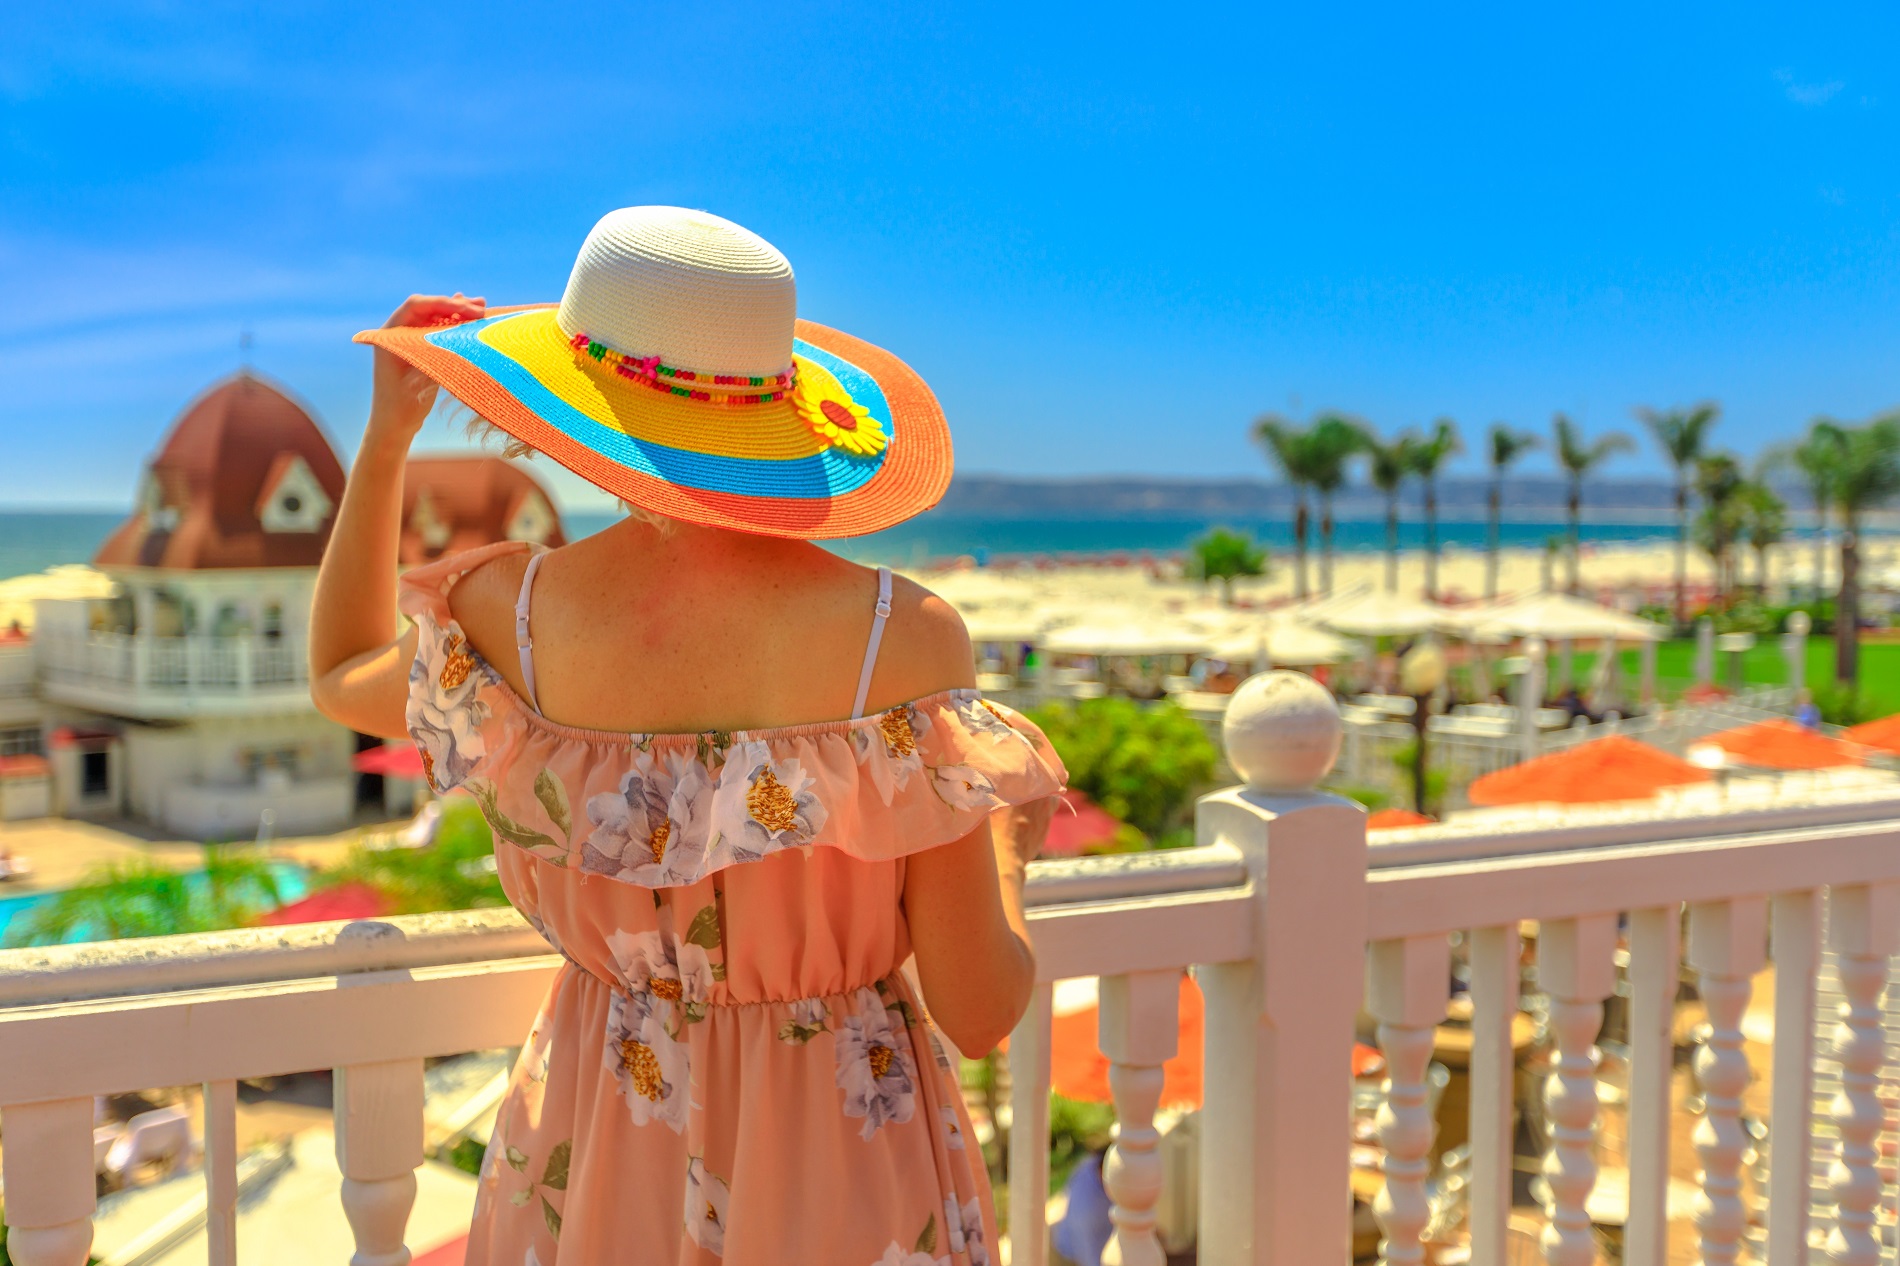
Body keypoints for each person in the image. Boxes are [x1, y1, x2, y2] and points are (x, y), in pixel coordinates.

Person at [309, 207, 1065, 1265]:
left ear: (575, 406)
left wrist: (387, 439)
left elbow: (340, 676)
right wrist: (1004, 842)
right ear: (777, 417)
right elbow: (980, 1008)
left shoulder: (510, 613)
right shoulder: (900, 641)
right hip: (840, 1159)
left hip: (600, 1129)